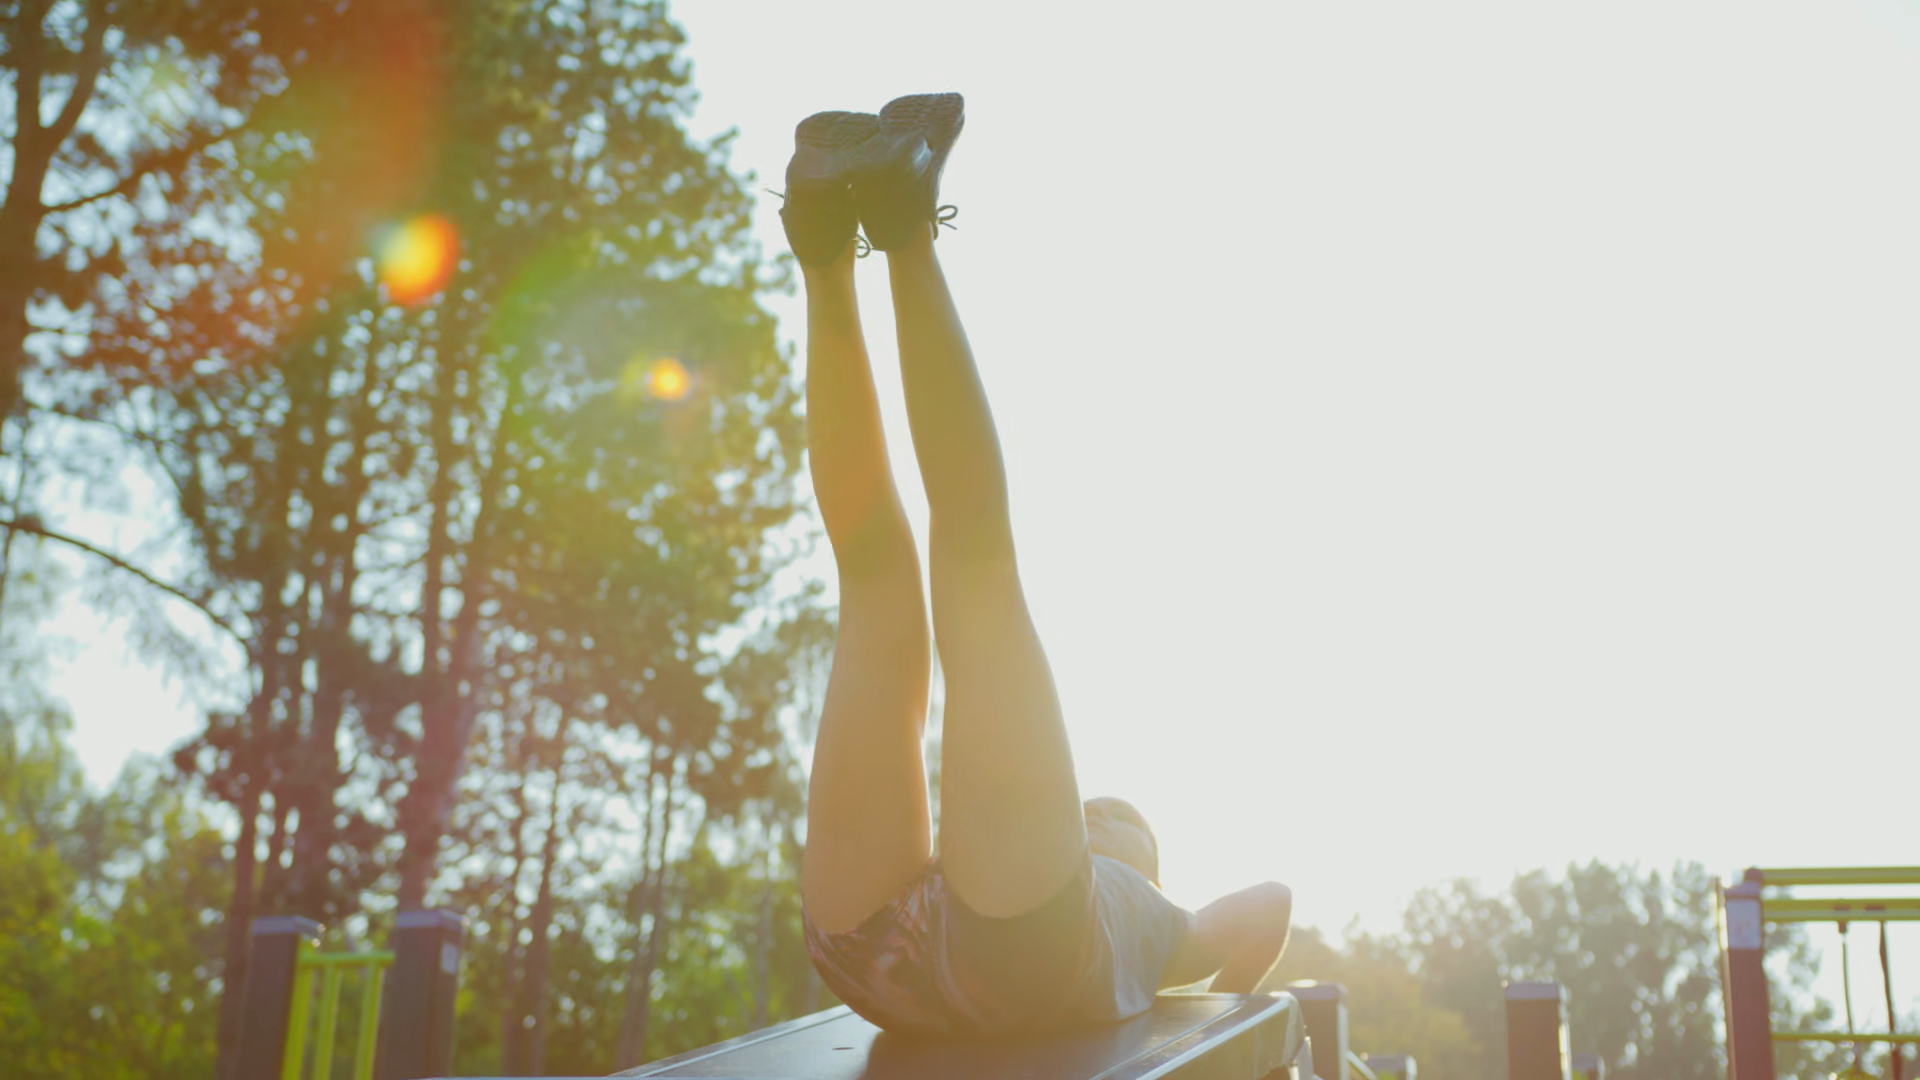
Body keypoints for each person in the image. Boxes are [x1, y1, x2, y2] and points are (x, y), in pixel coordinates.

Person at [785, 92, 1293, 1039]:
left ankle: (864, 242)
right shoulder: (1164, 933)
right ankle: (835, 242)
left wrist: (1208, 1025)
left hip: (879, 950)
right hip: (948, 950)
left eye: (1106, 818)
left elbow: (1267, 904)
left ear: (1144, 868)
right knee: (943, 563)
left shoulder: (1156, 920)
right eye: (1101, 813)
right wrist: (1213, 1017)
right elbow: (1269, 904)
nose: (1092, 815)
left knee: (891, 573)